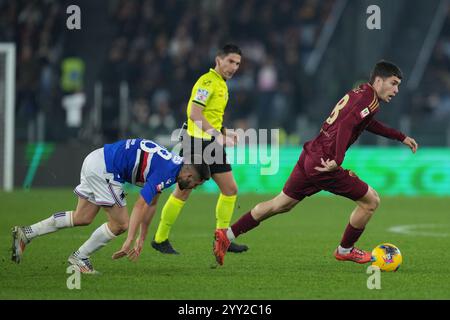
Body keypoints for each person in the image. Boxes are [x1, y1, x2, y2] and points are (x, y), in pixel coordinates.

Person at [213, 60, 419, 266]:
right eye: (393, 83)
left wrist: (400, 137)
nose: (396, 90)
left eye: (398, 85)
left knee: (281, 204)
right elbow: (347, 124)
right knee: (371, 201)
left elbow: (365, 123)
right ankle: (345, 250)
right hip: (324, 163)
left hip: (311, 154)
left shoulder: (361, 92)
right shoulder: (369, 99)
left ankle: (227, 235)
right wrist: (337, 159)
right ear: (379, 80)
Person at [11, 139, 210, 273]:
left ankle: (26, 233)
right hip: (106, 169)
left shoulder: (174, 167)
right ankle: (80, 258)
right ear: (190, 174)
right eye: (195, 184)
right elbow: (140, 204)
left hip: (97, 159)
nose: (193, 188)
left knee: (82, 217)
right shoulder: (168, 171)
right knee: (121, 224)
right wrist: (129, 239)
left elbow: (152, 202)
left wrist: (142, 237)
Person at [151, 44, 248, 254]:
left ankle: (222, 238)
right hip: (195, 142)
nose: (234, 67)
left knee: (230, 190)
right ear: (218, 60)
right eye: (230, 61)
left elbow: (211, 115)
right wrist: (216, 135)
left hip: (211, 142)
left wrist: (223, 132)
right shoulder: (206, 82)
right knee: (183, 191)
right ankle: (160, 238)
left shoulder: (222, 84)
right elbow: (194, 113)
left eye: (237, 64)